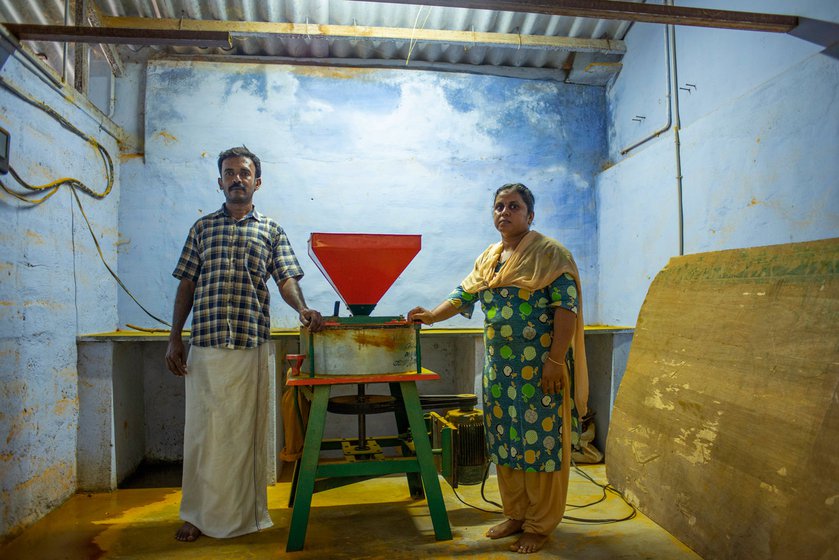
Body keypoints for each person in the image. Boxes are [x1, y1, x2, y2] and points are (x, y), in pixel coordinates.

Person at [407, 183, 588, 554]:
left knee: (542, 446)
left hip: (542, 373)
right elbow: (463, 295)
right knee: (507, 444)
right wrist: (431, 317)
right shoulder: (490, 257)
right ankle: (517, 514)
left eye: (514, 206)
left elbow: (565, 311)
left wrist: (555, 362)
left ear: (530, 215)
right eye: (499, 206)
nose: (504, 212)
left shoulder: (551, 255)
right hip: (501, 375)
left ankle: (539, 525)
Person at [164, 146, 323, 542]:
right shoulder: (202, 229)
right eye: (230, 172)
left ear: (257, 182)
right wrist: (174, 339)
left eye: (244, 172)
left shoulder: (270, 230)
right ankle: (197, 515)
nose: (237, 178)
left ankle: (248, 515)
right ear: (219, 182)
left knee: (244, 436)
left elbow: (286, 278)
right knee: (204, 436)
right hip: (206, 344)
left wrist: (302, 308)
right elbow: (187, 284)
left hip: (252, 344)